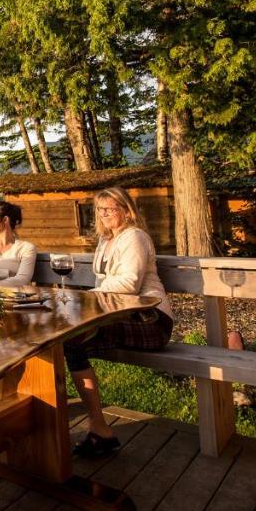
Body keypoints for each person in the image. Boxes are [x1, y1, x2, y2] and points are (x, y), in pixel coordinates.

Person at [66, 186, 175, 457]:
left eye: (110, 209)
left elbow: (129, 283)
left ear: (126, 211)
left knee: (70, 342)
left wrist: (87, 296)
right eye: (100, 209)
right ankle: (62, 422)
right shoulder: (107, 241)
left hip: (151, 319)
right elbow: (106, 284)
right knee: (61, 341)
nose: (103, 214)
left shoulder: (134, 237)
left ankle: (99, 429)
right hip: (121, 314)